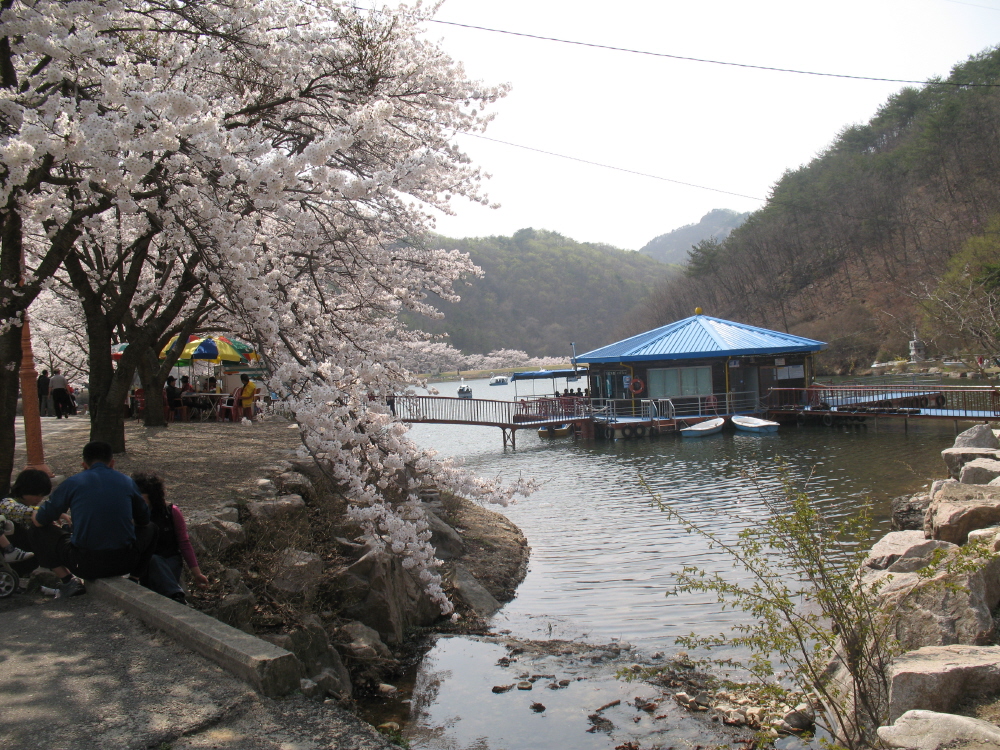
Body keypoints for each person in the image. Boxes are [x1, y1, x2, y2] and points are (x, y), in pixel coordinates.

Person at [29, 441, 157, 597]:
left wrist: (36, 513)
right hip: (124, 561)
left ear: (84, 464)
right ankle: (135, 577)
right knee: (152, 528)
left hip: (84, 563)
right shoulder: (127, 482)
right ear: (112, 463)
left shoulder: (73, 483)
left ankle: (68, 581)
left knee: (37, 529)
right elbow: (144, 520)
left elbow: (41, 520)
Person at [132, 472, 208, 604]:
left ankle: (174, 596)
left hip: (169, 561)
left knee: (156, 563)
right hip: (143, 565)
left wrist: (197, 573)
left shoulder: (171, 512)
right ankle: (175, 596)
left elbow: (184, 543)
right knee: (152, 560)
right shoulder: (131, 514)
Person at [0, 469, 52, 564]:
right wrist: (50, 512)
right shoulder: (6, 502)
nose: (39, 499)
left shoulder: (31, 506)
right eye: (35, 494)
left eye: (42, 495)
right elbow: (19, 511)